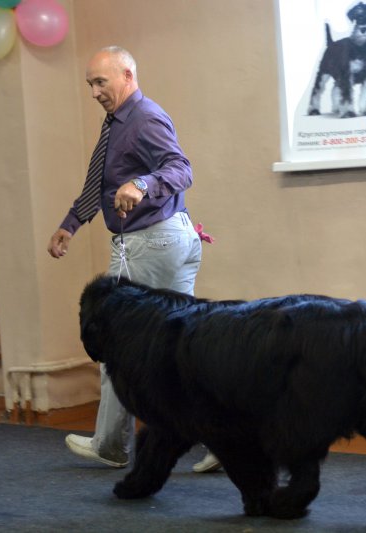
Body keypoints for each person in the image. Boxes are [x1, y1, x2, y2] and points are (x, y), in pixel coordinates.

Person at [48, 46, 220, 474]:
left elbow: (181, 167)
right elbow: (100, 180)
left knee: (117, 344)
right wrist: (72, 223)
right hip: (168, 241)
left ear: (127, 75)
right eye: (89, 83)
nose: (93, 92)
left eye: (100, 82)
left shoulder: (144, 118)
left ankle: (110, 443)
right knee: (178, 351)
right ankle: (230, 436)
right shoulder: (118, 123)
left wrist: (142, 183)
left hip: (150, 245)